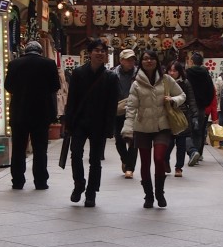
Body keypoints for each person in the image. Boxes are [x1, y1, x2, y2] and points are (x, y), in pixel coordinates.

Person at [122, 49, 185, 208]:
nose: (148, 61)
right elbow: (131, 108)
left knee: (159, 158)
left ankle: (160, 192)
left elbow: (182, 95)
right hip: (142, 127)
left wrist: (173, 100)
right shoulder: (136, 83)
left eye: (151, 59)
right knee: (144, 162)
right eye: (145, 59)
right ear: (141, 63)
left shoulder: (166, 80)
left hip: (162, 126)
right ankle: (148, 196)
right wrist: (128, 129)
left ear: (157, 61)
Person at [64, 38, 119, 207]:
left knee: (95, 159)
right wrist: (68, 121)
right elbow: (71, 99)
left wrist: (110, 127)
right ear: (89, 53)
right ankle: (79, 184)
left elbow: (112, 104)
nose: (100, 53)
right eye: (96, 50)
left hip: (99, 123)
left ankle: (91, 192)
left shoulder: (110, 77)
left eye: (103, 51)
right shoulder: (78, 73)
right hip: (80, 121)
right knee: (76, 154)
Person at [4, 40, 60, 191]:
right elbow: (56, 86)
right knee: (40, 149)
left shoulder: (14, 64)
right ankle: (40, 181)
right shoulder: (49, 64)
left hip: (19, 113)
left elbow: (8, 86)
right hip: (41, 113)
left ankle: (17, 181)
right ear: (40, 51)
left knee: (18, 148)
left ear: (25, 51)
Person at [165, 60, 198, 177]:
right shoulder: (164, 82)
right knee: (168, 143)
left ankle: (179, 167)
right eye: (170, 70)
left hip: (182, 115)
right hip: (167, 115)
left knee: (181, 143)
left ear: (179, 72)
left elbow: (191, 99)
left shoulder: (185, 83)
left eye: (174, 71)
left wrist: (194, 115)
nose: (172, 73)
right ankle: (165, 161)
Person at [185, 52, 216, 166]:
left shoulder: (187, 73)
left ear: (191, 61)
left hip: (189, 106)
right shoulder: (206, 74)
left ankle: (192, 152)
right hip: (202, 107)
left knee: (188, 130)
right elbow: (211, 91)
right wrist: (205, 103)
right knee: (199, 130)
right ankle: (198, 152)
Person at [114, 48, 139, 178]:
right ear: (121, 60)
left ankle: (130, 168)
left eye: (132, 60)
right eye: (128, 60)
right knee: (119, 140)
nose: (131, 62)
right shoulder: (113, 74)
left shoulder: (139, 74)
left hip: (135, 110)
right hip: (118, 110)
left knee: (133, 140)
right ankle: (125, 159)